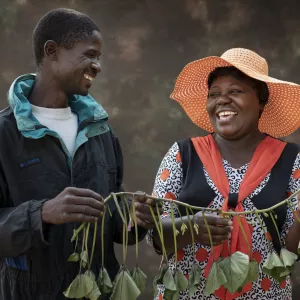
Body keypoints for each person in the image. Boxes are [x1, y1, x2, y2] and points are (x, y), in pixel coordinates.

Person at [0, 8, 161, 300]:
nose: (97, 66)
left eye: (99, 57)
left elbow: (114, 220)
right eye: (89, 55)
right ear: (52, 52)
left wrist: (134, 220)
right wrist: (43, 213)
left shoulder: (100, 132)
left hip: (100, 291)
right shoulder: (4, 134)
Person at [147, 48, 300, 299]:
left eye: (235, 91)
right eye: (214, 94)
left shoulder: (290, 160)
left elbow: (289, 253)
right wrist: (191, 228)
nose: (222, 100)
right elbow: (156, 237)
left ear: (261, 100)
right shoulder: (183, 154)